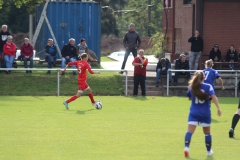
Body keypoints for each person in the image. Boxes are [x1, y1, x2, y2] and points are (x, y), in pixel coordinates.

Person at [184, 71, 221, 158]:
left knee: (190, 131)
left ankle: (186, 148)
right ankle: (208, 151)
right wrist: (218, 108)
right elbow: (214, 97)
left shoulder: (191, 86)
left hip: (194, 112)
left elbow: (189, 98)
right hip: (205, 112)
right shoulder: (208, 86)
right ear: (204, 78)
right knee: (207, 132)